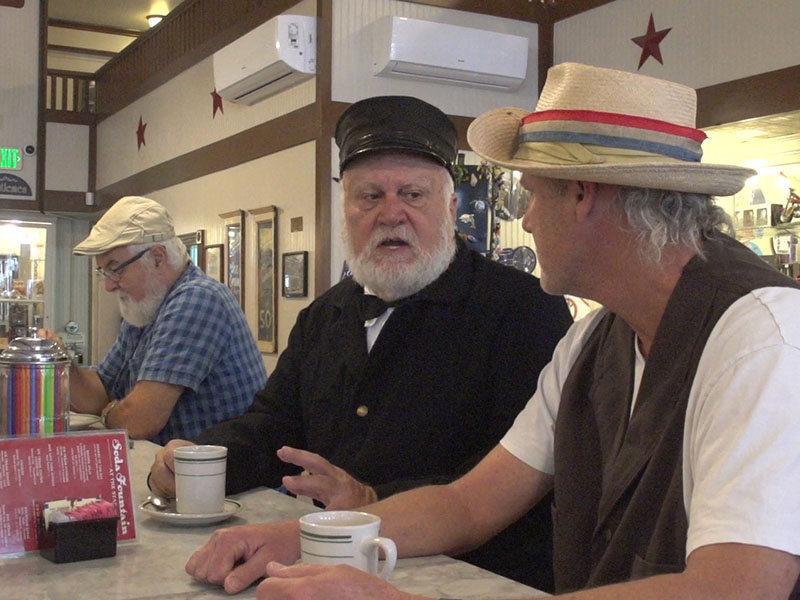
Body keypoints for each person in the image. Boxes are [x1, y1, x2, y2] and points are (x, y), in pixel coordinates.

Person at [184, 63, 800, 599]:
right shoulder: (593, 340)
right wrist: (291, 537)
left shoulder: (761, 336)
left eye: (530, 196)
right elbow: (470, 503)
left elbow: (737, 587)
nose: (525, 221)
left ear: (584, 195)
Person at [149, 96, 573, 589]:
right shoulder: (322, 317)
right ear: (345, 211)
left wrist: (373, 501)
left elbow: (512, 472)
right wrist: (198, 461)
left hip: (471, 578)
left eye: (413, 194)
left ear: (451, 207)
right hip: (322, 569)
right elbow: (273, 428)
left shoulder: (523, 308)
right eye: (370, 196)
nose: (391, 214)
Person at [67, 196, 267, 445]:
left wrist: (109, 412)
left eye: (115, 268)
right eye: (103, 272)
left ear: (158, 258)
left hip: (230, 479)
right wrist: (60, 361)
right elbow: (98, 395)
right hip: (182, 473)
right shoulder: (145, 307)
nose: (108, 285)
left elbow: (139, 422)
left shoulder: (197, 298)